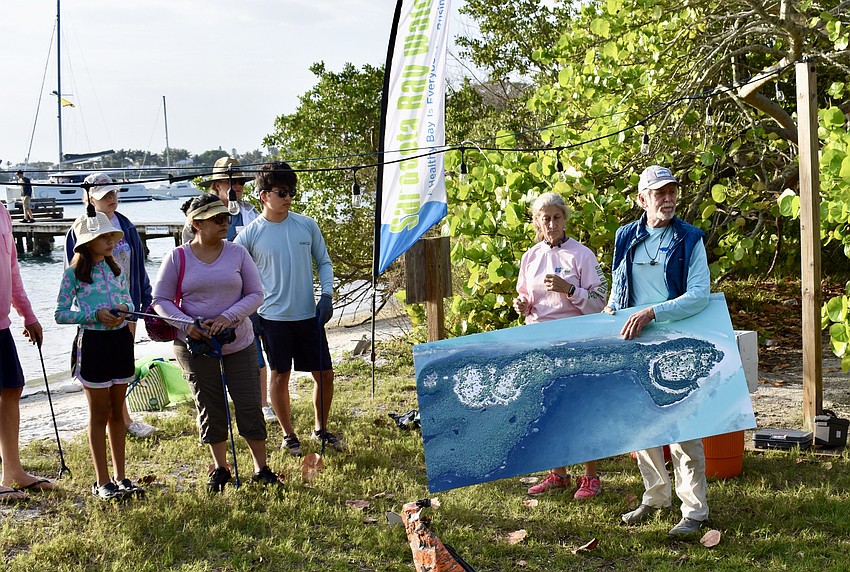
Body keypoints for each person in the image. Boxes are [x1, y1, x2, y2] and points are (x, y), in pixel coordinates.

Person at [604, 165, 711, 536]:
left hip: (677, 342)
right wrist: (611, 310)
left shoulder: (690, 238)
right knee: (643, 426)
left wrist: (654, 312)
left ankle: (695, 512)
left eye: (671, 192)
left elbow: (699, 295)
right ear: (642, 199)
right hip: (635, 342)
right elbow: (620, 283)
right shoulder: (625, 236)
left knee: (684, 430)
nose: (667, 199)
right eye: (659, 193)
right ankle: (655, 497)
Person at [153, 193, 277, 491]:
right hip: (195, 346)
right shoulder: (177, 257)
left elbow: (256, 294)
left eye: (227, 218)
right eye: (217, 219)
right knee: (210, 406)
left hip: (240, 341)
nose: (226, 223)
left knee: (249, 404)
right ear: (196, 224)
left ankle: (261, 469)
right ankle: (221, 468)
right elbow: (160, 300)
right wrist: (188, 325)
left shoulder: (237, 253)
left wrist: (228, 317)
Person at [235, 162, 341, 456]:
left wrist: (327, 296)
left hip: (309, 315)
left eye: (292, 191)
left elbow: (324, 262)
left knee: (325, 374)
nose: (288, 197)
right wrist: (249, 312)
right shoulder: (249, 234)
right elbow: (234, 272)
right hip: (272, 319)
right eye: (282, 192)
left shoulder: (306, 224)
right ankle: (288, 434)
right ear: (263, 195)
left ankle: (321, 428)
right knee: (280, 375)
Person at [513, 192, 609, 499]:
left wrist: (570, 290)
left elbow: (600, 302)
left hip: (576, 339)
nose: (551, 223)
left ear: (565, 219)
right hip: (539, 340)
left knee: (580, 409)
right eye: (545, 218)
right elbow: (526, 297)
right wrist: (522, 304)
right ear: (536, 222)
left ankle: (590, 477)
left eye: (556, 217)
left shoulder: (582, 255)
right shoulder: (530, 257)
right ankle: (558, 473)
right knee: (547, 408)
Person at [55, 211, 144, 500]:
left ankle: (121, 477)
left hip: (120, 342)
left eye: (110, 236)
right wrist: (94, 315)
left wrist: (124, 312)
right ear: (87, 242)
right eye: (103, 237)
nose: (110, 241)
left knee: (118, 412)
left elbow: (129, 300)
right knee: (99, 414)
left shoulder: (116, 269)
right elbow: (60, 314)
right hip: (92, 345)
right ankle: (102, 481)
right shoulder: (72, 275)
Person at [65, 172, 156, 439]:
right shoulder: (82, 227)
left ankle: (123, 418)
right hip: (95, 311)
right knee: (98, 368)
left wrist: (144, 299)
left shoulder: (125, 225)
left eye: (114, 193)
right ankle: (105, 417)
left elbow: (138, 265)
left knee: (123, 364)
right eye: (105, 195)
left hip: (126, 304)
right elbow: (72, 268)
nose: (112, 198)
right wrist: (87, 310)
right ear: (90, 198)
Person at [193, 157, 275, 423]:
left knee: (254, 350)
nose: (236, 187)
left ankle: (262, 403)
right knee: (211, 356)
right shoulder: (198, 217)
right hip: (211, 300)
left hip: (247, 297)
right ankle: (220, 407)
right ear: (217, 186)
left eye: (239, 183)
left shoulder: (252, 213)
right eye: (230, 183)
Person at [1, 200, 55, 501]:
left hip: (1, 324)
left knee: (12, 388)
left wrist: (27, 314)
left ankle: (13, 472)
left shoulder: (3, 212)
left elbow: (12, 269)